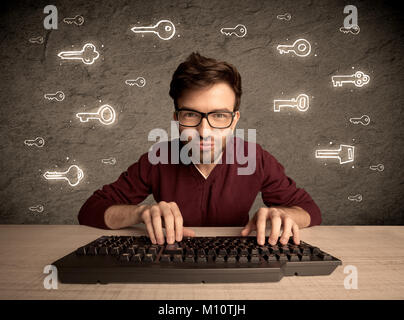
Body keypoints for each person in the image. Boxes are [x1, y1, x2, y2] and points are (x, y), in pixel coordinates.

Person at [78, 52, 321, 246]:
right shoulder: (158, 159)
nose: (204, 131)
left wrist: (285, 216)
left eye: (219, 115)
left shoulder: (256, 158)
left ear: (235, 119)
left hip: (237, 264)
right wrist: (140, 213)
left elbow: (310, 211)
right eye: (191, 114)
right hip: (171, 265)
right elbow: (90, 210)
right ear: (176, 117)